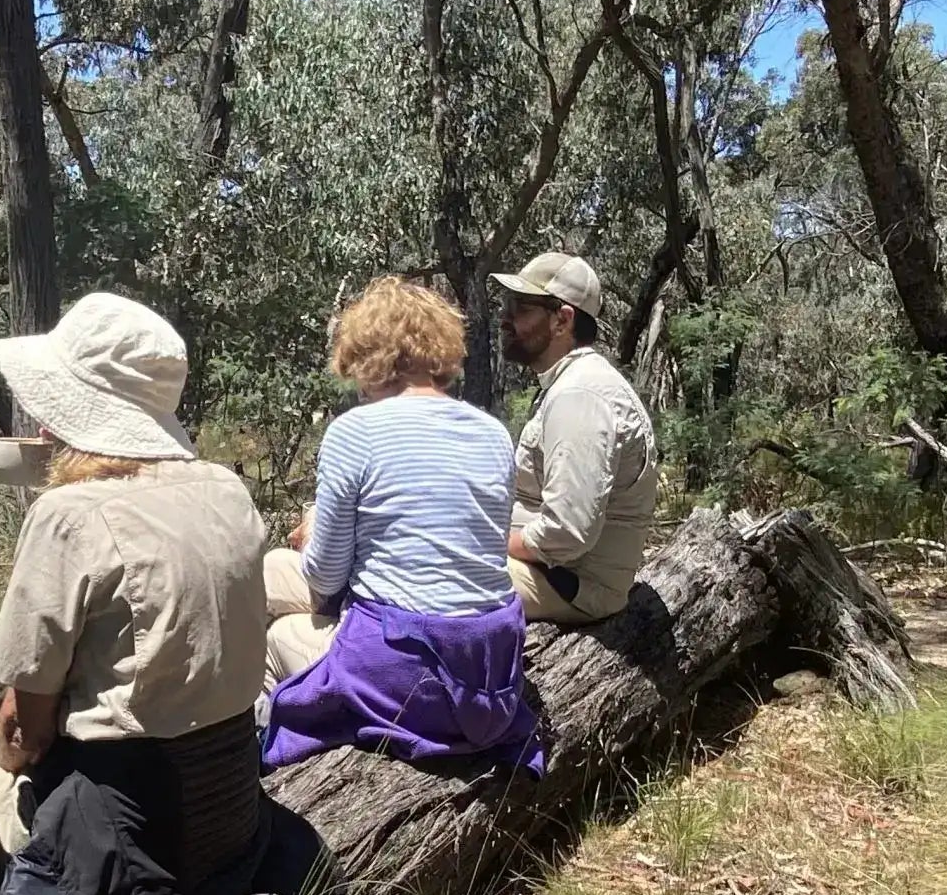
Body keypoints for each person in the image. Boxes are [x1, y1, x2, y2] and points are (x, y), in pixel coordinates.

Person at [0, 291, 271, 886]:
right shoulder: (227, 491)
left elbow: (26, 724)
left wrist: (12, 772)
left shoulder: (70, 514)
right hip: (227, 814)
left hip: (118, 848)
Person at [259, 278, 539, 771]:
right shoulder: (493, 433)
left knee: (280, 635)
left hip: (411, 674)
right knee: (273, 570)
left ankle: (259, 769)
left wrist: (318, 531)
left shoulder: (355, 432)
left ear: (365, 356)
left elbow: (324, 578)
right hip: (489, 664)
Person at [491, 251, 659, 624]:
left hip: (569, 584)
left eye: (520, 308)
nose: (505, 319)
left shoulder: (580, 394)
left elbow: (567, 532)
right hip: (552, 571)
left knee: (422, 580)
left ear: (562, 320)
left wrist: (490, 543)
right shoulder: (567, 384)